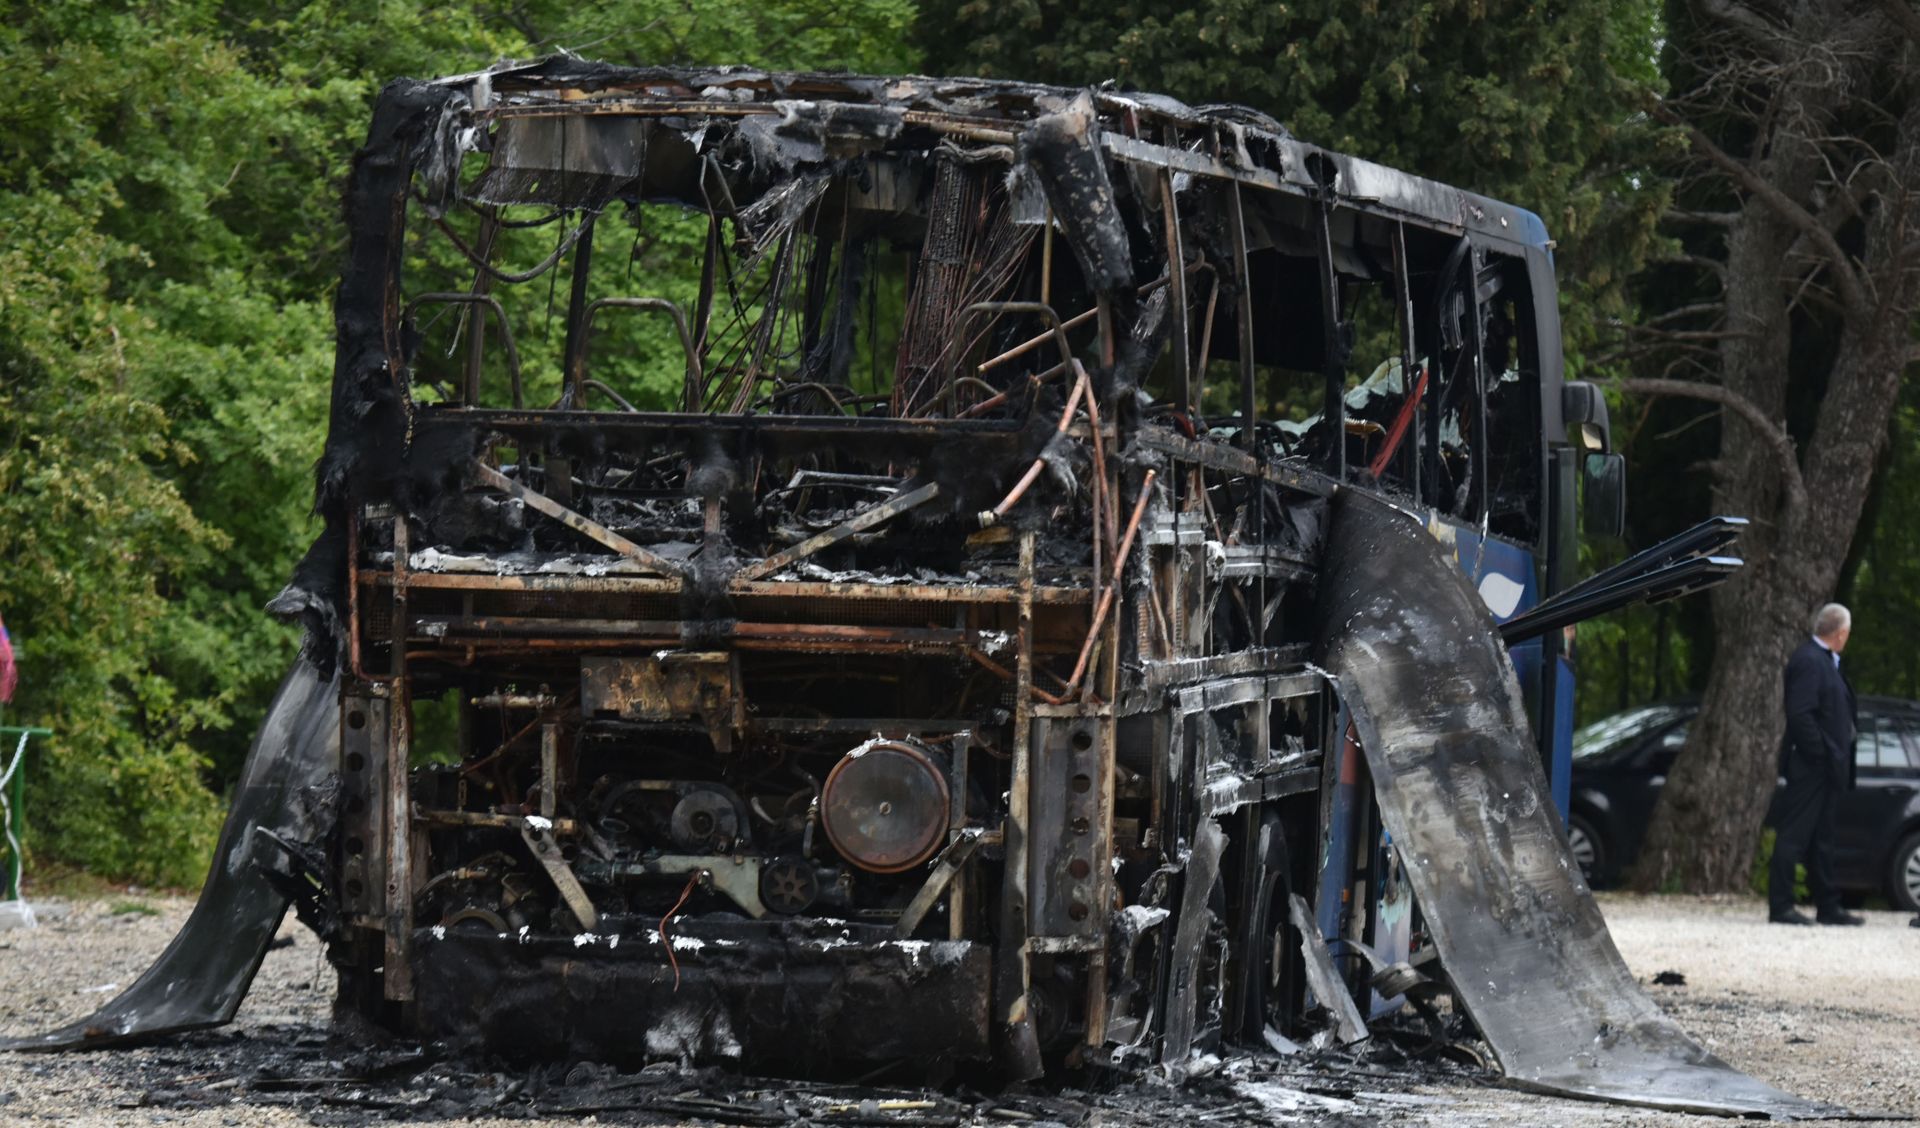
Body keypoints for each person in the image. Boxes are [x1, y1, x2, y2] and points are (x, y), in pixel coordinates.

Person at [1770, 603, 1862, 925]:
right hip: (1812, 766)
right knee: (1794, 834)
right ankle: (1781, 906)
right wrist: (1823, 753)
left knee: (1823, 836)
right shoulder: (1810, 661)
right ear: (1841, 633)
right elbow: (1800, 715)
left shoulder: (1825, 662)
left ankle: (1828, 905)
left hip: (1827, 766)